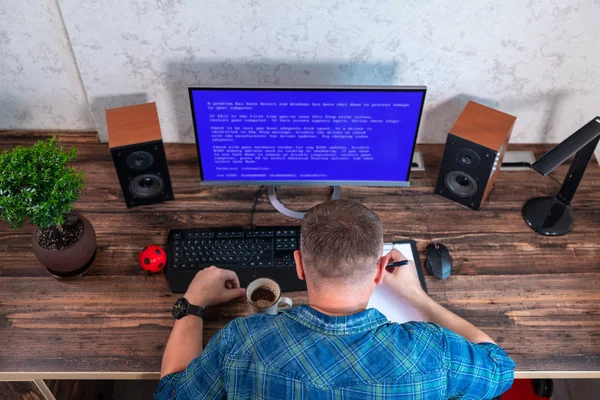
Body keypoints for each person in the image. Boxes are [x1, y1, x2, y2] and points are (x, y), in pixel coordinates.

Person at [155, 200, 515, 399]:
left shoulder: (243, 341)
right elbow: (500, 369)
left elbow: (170, 395)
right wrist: (417, 296)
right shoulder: (429, 351)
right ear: (379, 270)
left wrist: (192, 304)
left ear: (298, 265)